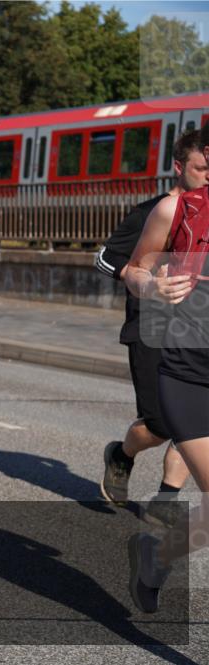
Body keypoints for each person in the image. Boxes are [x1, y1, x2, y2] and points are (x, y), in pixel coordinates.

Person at [97, 129, 205, 526]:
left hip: (195, 334)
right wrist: (146, 282)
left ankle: (166, 496)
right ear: (179, 167)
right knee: (160, 423)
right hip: (151, 328)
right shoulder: (154, 211)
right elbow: (106, 259)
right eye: (201, 168)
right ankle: (122, 454)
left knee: (194, 420)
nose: (207, 175)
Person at [124, 121, 209, 615]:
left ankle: (157, 556)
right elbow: (134, 269)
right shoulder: (174, 209)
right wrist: (152, 287)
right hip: (190, 376)